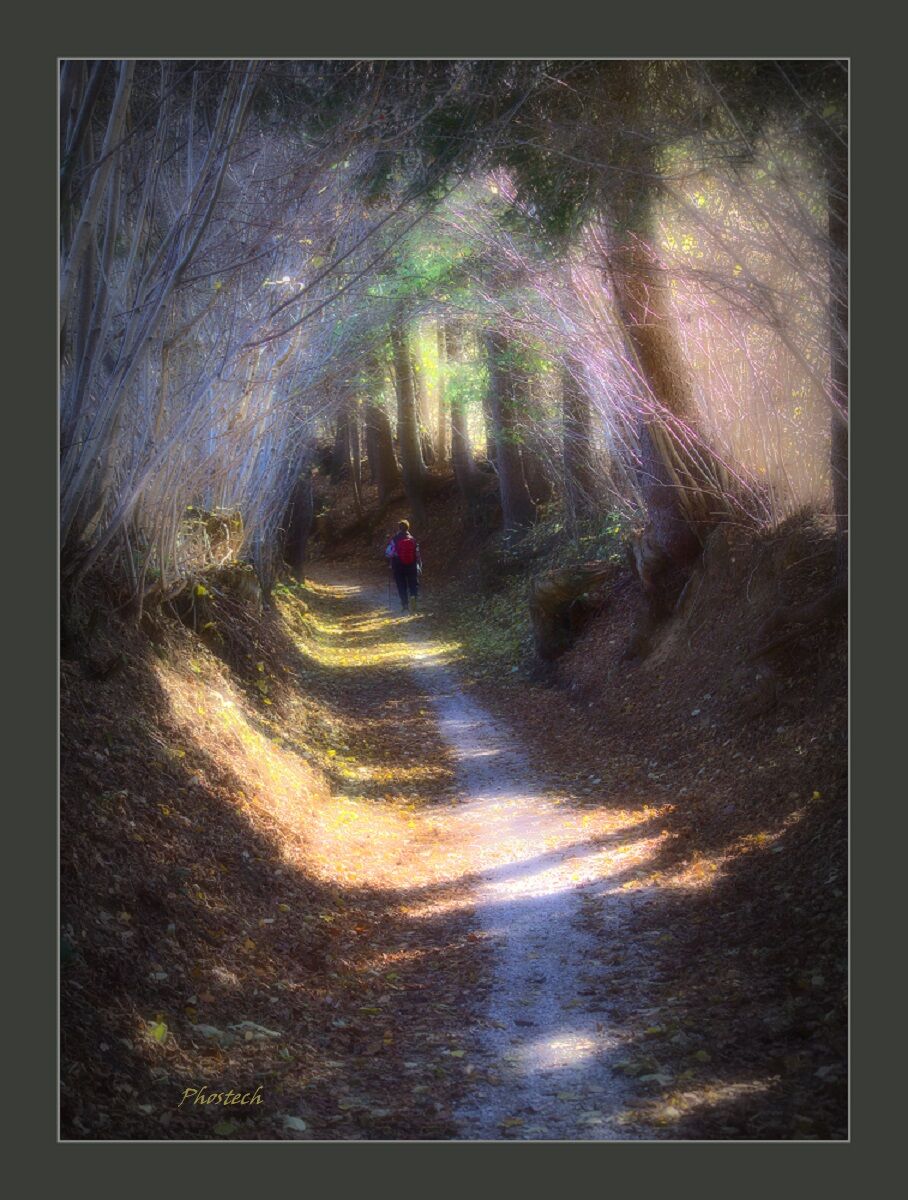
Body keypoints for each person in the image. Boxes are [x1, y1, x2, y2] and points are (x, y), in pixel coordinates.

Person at [385, 519, 421, 613]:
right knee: (413, 583)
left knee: (401, 585)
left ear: (399, 528)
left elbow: (388, 553)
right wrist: (419, 565)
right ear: (408, 527)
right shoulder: (412, 539)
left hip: (398, 565)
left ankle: (405, 605)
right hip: (412, 565)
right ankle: (413, 596)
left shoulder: (395, 539)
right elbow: (417, 553)